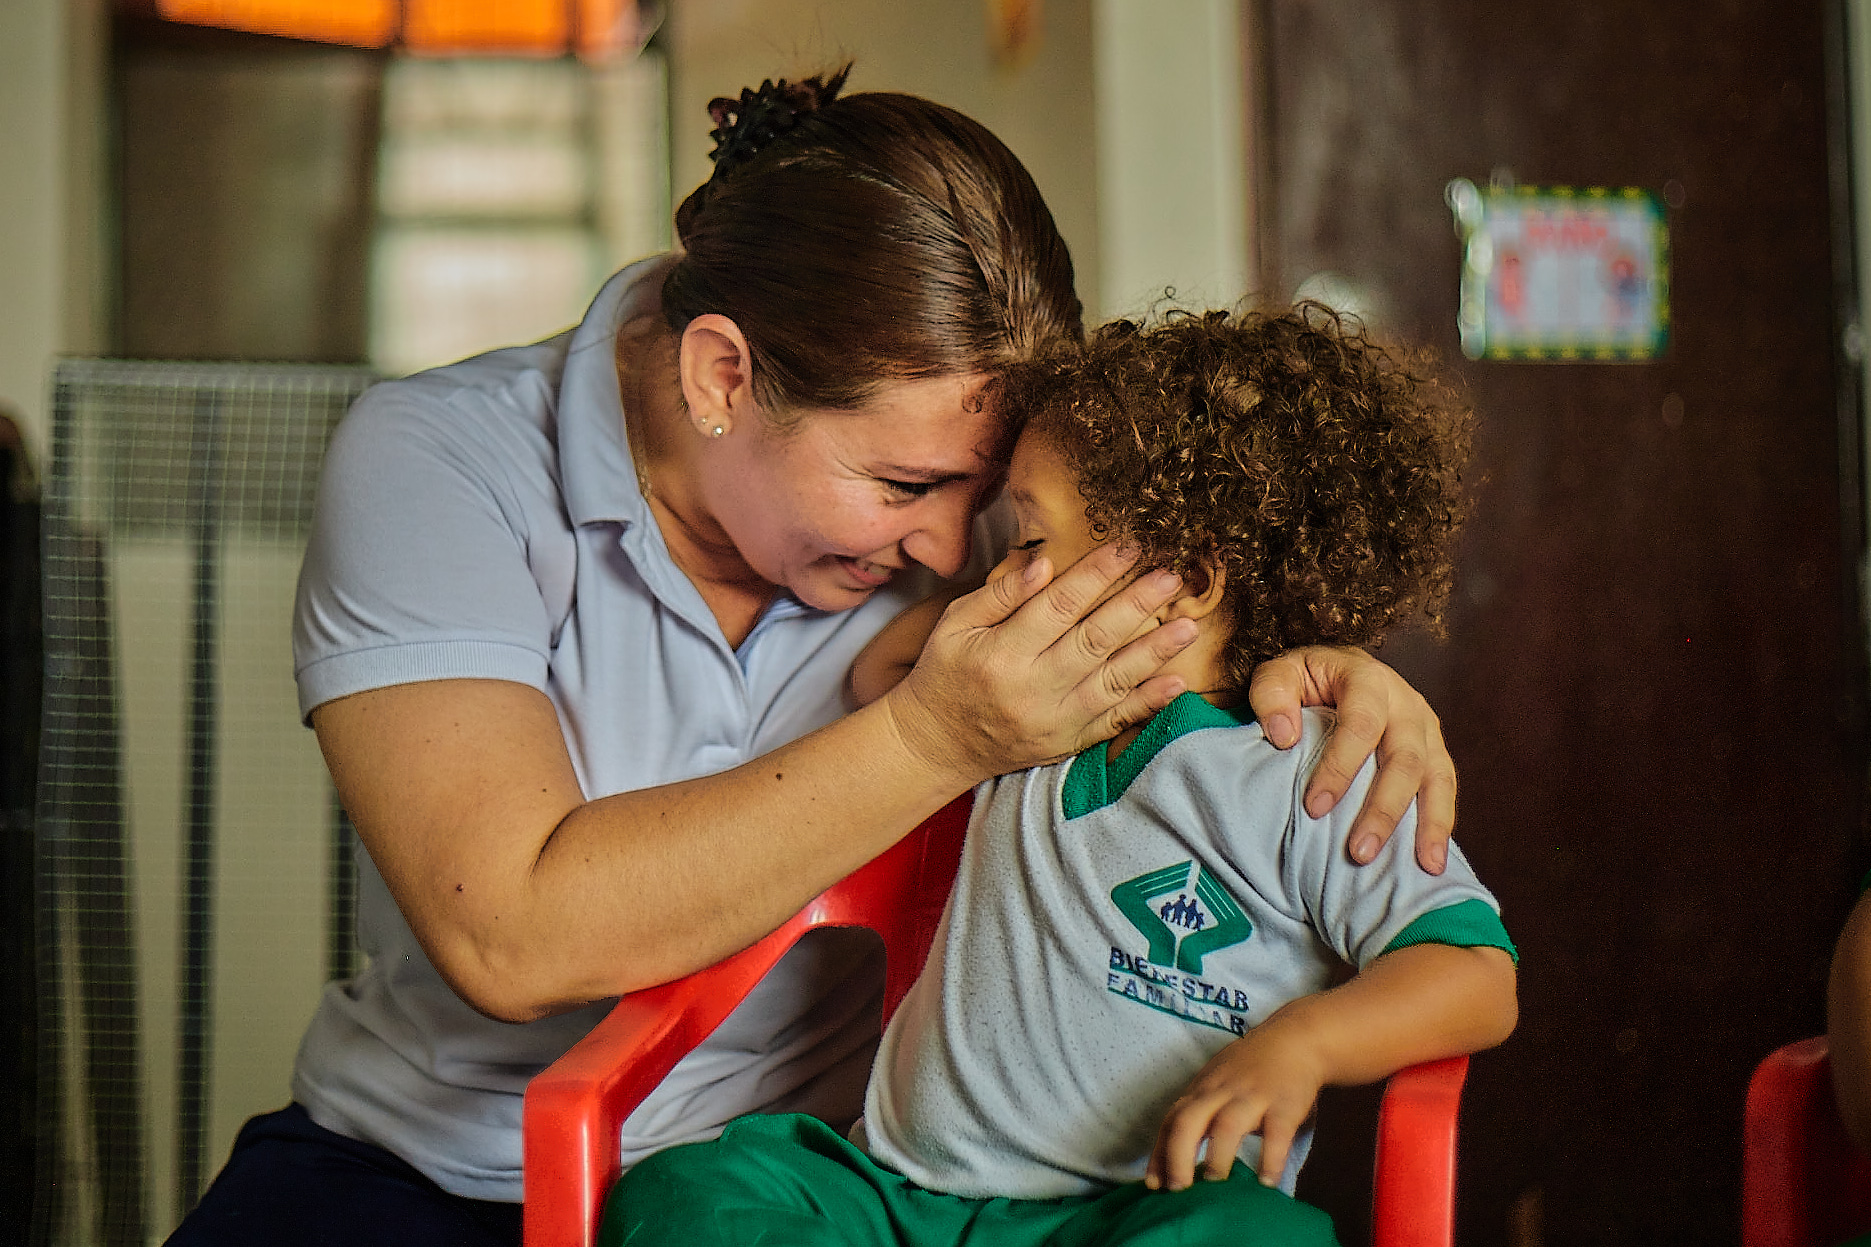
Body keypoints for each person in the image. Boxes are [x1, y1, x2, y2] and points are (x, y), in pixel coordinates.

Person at [167, 70, 1460, 1247]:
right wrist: (934, 734)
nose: (949, 547)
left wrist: (1322, 665)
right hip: (440, 1163)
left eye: (987, 501)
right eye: (901, 482)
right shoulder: (437, 465)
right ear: (721, 373)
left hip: (832, 1180)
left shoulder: (994, 540)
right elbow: (510, 937)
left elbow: (1196, 547)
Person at [602, 307, 1518, 1246]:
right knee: (687, 1198)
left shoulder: (1303, 769)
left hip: (1127, 1218)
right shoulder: (1018, 714)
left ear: (1188, 581)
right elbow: (880, 671)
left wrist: (1307, 1041)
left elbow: (1475, 974)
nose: (995, 572)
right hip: (896, 1199)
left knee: (1257, 1237)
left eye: (1027, 540)